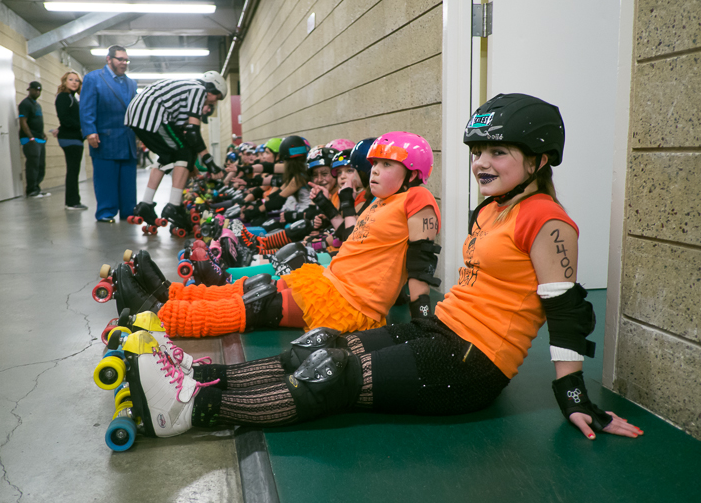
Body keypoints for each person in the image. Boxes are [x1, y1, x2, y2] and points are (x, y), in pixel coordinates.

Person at [118, 94, 645, 443]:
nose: (483, 163)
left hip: (474, 364)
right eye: (479, 151)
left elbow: (567, 312)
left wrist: (573, 395)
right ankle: (197, 375)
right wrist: (422, 314)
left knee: (332, 377)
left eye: (499, 153)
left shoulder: (549, 221)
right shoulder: (492, 208)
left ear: (538, 160)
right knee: (318, 347)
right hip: (440, 332)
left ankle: (189, 410)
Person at [150, 131, 440, 336]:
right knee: (255, 287)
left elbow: (419, 265)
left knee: (259, 305)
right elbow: (352, 240)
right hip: (330, 283)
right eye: (375, 164)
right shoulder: (381, 201)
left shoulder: (417, 199)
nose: (374, 171)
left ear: (413, 174)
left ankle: (164, 319)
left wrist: (423, 323)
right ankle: (167, 294)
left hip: (351, 304)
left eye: (386, 165)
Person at [124, 72, 227, 229]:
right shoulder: (198, 89)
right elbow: (193, 133)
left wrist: (193, 169)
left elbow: (185, 133)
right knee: (185, 153)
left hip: (139, 114)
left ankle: (145, 203)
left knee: (169, 155)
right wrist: (209, 162)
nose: (213, 102)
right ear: (212, 88)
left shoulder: (188, 89)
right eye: (217, 98)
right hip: (151, 114)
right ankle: (174, 206)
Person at [79, 45, 138, 222]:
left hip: (127, 138)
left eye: (126, 60)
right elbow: (86, 107)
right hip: (104, 138)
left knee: (128, 180)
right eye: (120, 59)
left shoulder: (131, 83)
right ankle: (106, 212)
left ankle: (129, 211)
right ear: (109, 59)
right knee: (106, 178)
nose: (124, 63)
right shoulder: (94, 78)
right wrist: (90, 131)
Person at [54, 71, 87, 210]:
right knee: (73, 171)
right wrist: (81, 128)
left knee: (74, 170)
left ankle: (73, 200)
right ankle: (72, 202)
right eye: (70, 79)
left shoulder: (72, 98)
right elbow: (64, 118)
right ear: (64, 82)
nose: (74, 82)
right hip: (70, 139)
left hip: (73, 138)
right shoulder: (63, 97)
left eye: (77, 80)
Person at [19, 81, 49, 198]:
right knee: (33, 165)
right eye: (35, 90)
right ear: (29, 90)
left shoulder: (37, 105)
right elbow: (23, 122)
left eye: (39, 90)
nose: (37, 92)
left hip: (39, 138)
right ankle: (31, 190)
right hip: (30, 139)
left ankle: (36, 188)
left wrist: (42, 133)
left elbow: (37, 121)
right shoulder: (25, 104)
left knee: (41, 165)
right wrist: (31, 136)